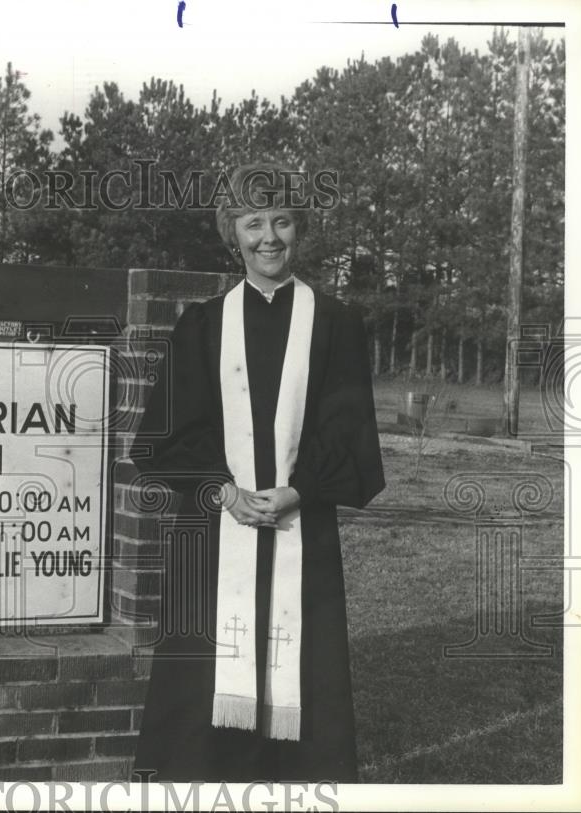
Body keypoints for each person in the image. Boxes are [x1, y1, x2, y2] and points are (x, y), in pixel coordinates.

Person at [129, 161, 385, 782]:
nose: (269, 237)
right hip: (218, 532)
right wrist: (223, 491)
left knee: (305, 681)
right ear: (232, 232)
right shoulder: (202, 326)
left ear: (299, 228)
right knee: (204, 684)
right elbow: (167, 436)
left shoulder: (335, 323)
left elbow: (348, 431)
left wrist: (301, 490)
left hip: (305, 528)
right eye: (253, 223)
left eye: (282, 221)